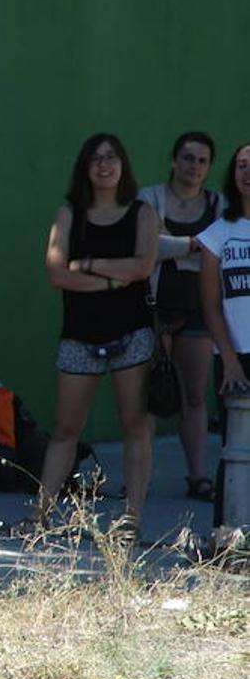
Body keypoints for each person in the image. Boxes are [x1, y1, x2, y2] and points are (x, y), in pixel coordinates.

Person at [29, 133, 158, 537]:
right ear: (85, 167)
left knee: (134, 425)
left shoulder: (142, 213)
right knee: (65, 429)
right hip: (80, 336)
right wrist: (107, 281)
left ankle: (130, 519)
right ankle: (39, 515)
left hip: (132, 334)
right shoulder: (70, 213)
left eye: (112, 157)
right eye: (96, 158)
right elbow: (56, 273)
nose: (104, 165)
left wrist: (86, 265)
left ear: (124, 164)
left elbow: (141, 267)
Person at [137, 131, 221, 502]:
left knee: (194, 394)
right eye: (188, 158)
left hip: (198, 307)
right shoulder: (150, 198)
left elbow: (217, 252)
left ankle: (198, 477)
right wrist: (192, 245)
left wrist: (171, 243)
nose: (194, 167)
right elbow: (146, 247)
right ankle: (139, 479)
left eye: (202, 161)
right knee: (147, 396)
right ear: (174, 160)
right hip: (152, 306)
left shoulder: (218, 204)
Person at [197, 140, 250, 538]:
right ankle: (227, 536)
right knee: (235, 448)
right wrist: (229, 359)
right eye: (242, 165)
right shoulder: (218, 233)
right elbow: (211, 306)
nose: (248, 172)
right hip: (236, 356)